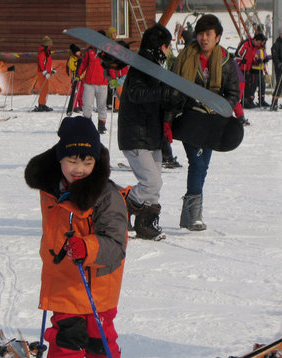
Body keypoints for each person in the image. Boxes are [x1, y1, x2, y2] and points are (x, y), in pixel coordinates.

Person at [24, 116, 128, 358]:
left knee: (100, 342)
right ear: (60, 158)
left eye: (86, 161)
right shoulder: (52, 188)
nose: (79, 169)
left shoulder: (106, 196)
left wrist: (88, 247)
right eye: (71, 159)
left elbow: (116, 245)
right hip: (64, 282)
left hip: (98, 285)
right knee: (66, 341)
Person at [168, 14, 240, 231]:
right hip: (189, 119)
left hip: (212, 121)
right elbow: (173, 89)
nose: (204, 38)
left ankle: (189, 215)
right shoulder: (185, 57)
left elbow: (233, 93)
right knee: (197, 163)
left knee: (202, 166)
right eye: (200, 34)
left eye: (208, 34)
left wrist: (216, 106)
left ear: (217, 37)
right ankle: (193, 216)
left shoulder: (226, 62)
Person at [118, 24, 174, 241]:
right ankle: (118, 208)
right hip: (135, 135)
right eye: (168, 48)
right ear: (161, 47)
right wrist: (164, 92)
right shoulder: (141, 68)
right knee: (151, 182)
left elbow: (157, 102)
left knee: (155, 183)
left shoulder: (156, 69)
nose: (169, 53)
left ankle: (144, 224)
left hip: (152, 135)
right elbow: (136, 93)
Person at [77, 31, 109, 133]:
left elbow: (111, 66)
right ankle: (87, 125)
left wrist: (114, 78)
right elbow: (84, 63)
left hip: (102, 83)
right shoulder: (90, 50)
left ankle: (101, 125)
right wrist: (78, 73)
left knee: (102, 106)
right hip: (89, 83)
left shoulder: (107, 52)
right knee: (87, 105)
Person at [235, 33, 264, 109]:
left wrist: (256, 61)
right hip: (240, 67)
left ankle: (246, 101)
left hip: (248, 68)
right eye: (259, 42)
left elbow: (252, 57)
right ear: (255, 40)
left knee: (248, 85)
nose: (259, 44)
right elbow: (237, 54)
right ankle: (241, 101)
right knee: (242, 84)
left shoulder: (255, 47)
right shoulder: (246, 44)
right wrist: (242, 60)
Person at [34, 36, 55, 112]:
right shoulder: (43, 52)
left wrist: (51, 70)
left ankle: (43, 103)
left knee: (45, 89)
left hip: (46, 72)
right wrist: (45, 72)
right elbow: (41, 63)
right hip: (42, 73)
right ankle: (41, 105)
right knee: (43, 89)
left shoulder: (47, 52)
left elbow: (47, 63)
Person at [251, 34, 271, 107]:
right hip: (254, 70)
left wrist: (269, 58)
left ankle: (262, 100)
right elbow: (253, 57)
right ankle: (250, 99)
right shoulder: (255, 49)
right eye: (262, 42)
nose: (263, 44)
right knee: (254, 85)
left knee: (262, 85)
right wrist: (257, 61)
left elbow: (265, 57)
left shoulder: (262, 50)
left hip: (260, 70)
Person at [66, 43, 84, 115]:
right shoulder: (72, 59)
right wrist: (77, 69)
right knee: (76, 92)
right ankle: (74, 105)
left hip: (82, 78)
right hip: (75, 78)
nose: (79, 53)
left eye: (79, 51)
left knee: (81, 92)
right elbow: (71, 67)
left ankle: (81, 105)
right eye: (77, 52)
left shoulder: (81, 58)